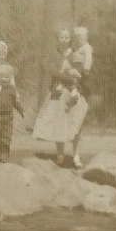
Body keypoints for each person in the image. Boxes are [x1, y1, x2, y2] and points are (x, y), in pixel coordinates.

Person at [32, 26, 91, 169]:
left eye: (67, 37)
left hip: (74, 91)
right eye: (61, 37)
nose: (64, 40)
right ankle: (60, 154)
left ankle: (76, 155)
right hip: (58, 91)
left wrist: (76, 75)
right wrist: (69, 76)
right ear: (57, 38)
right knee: (60, 123)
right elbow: (53, 71)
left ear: (70, 39)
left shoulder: (76, 52)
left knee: (76, 123)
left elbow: (82, 70)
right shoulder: (54, 54)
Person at [65, 26, 93, 111]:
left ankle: (75, 95)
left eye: (82, 40)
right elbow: (69, 51)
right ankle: (73, 95)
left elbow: (88, 58)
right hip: (74, 65)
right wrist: (66, 52)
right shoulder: (76, 46)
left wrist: (86, 68)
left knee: (75, 78)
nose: (79, 42)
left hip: (81, 66)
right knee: (71, 78)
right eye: (78, 40)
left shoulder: (86, 47)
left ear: (86, 39)